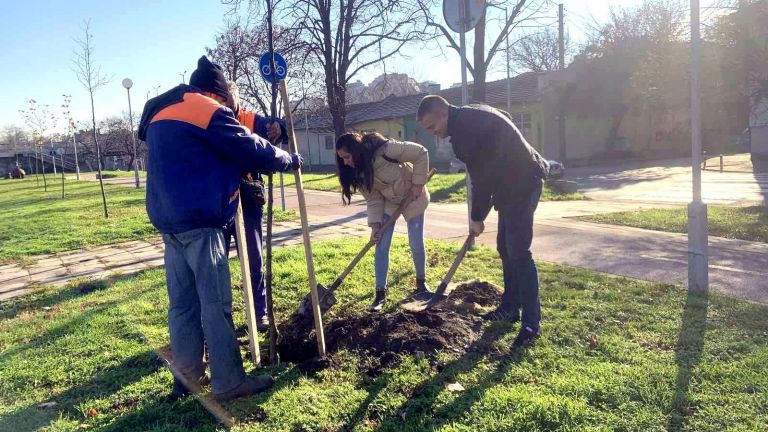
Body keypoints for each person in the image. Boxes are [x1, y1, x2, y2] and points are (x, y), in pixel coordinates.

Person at [137, 55, 301, 401]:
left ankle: (187, 380)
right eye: (229, 99)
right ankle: (228, 381)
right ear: (220, 93)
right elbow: (251, 147)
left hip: (170, 224)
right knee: (215, 304)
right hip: (201, 221)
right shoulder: (207, 110)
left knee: (182, 305)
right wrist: (289, 160)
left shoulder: (163, 112)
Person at [417, 95, 549, 348]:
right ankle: (510, 306)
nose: (435, 134)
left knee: (519, 252)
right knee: (505, 247)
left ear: (444, 113)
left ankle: (531, 324)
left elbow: (482, 181)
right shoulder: (471, 113)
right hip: (510, 185)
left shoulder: (465, 132)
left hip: (524, 181)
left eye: (433, 127)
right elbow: (502, 123)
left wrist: (476, 218)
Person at [335, 132, 431, 312]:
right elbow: (374, 200)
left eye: (347, 157)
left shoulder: (387, 150)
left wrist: (418, 183)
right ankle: (380, 294)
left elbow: (421, 153)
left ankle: (421, 285)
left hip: (413, 196)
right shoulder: (360, 173)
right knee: (381, 245)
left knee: (416, 242)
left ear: (356, 151)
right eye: (342, 159)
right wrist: (375, 226)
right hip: (390, 203)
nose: (345, 162)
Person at [222, 81, 288, 332]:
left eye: (229, 98)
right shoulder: (212, 117)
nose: (225, 103)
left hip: (248, 198)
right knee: (218, 262)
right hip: (220, 200)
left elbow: (273, 126)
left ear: (236, 96)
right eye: (221, 98)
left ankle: (259, 312)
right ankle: (222, 317)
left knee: (253, 256)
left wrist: (277, 127)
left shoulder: (251, 119)